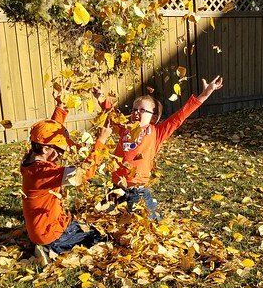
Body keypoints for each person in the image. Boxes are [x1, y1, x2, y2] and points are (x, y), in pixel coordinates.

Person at [98, 75, 223, 219]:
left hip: (137, 191)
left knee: (147, 225)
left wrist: (205, 94)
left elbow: (181, 116)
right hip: (116, 188)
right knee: (107, 223)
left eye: (142, 110)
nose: (136, 112)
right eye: (134, 109)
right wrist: (100, 97)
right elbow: (113, 115)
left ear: (153, 117)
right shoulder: (125, 128)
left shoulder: (156, 132)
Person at [21, 100, 112, 263]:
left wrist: (61, 111)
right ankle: (49, 250)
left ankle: (48, 244)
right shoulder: (43, 173)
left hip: (43, 227)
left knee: (81, 225)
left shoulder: (31, 159)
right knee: (101, 237)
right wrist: (101, 142)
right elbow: (83, 174)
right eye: (59, 150)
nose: (62, 154)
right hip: (51, 234)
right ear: (46, 149)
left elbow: (48, 134)